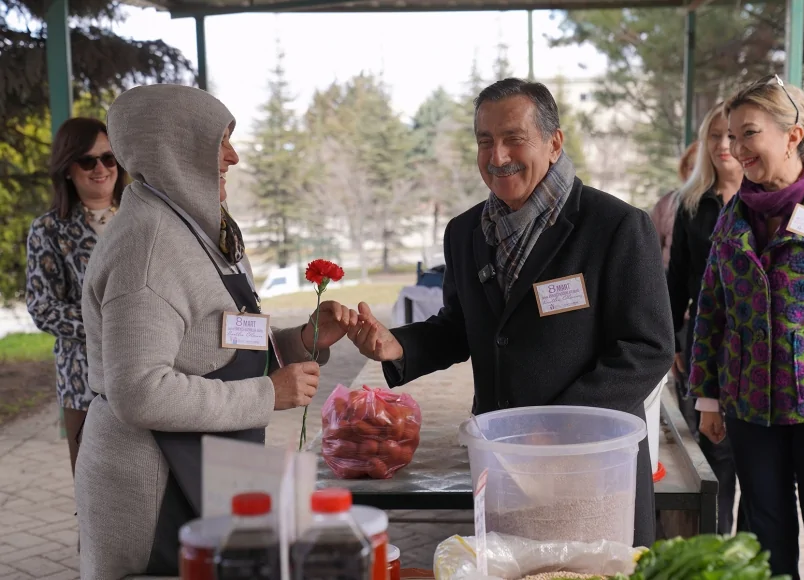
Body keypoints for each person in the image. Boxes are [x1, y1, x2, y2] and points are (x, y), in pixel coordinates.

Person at [346, 78, 674, 547]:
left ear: (554, 143)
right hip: (503, 466)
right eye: (485, 141)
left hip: (591, 467)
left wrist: (556, 426)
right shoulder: (465, 233)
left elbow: (648, 347)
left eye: (514, 139)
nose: (498, 157)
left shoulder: (615, 227)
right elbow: (463, 325)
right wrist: (399, 345)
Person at [75, 85, 355, 579]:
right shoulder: (147, 246)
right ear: (174, 147)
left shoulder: (197, 227)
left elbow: (216, 343)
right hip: (157, 491)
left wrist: (298, 342)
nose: (234, 156)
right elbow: (138, 392)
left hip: (207, 468)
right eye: (220, 141)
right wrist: (267, 394)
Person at [689, 74, 804, 579]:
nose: (734, 147)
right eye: (729, 135)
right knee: (763, 534)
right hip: (749, 406)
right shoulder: (733, 215)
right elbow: (712, 308)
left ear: (793, 134)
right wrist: (707, 397)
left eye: (749, 133)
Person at [25, 117, 126, 477]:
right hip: (83, 382)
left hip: (150, 373)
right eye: (87, 160)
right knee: (95, 490)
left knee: (151, 490)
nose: (100, 168)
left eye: (109, 158)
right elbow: (43, 307)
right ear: (67, 168)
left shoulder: (142, 218)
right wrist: (113, 325)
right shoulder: (48, 230)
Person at [667, 103, 746, 535]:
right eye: (713, 136)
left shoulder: (769, 201)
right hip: (706, 345)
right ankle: (717, 555)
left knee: (760, 468)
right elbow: (675, 281)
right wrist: (674, 344)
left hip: (758, 349)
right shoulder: (692, 204)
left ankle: (757, 558)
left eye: (731, 135)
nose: (722, 145)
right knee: (715, 455)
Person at [650, 140, 698, 269]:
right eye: (692, 168)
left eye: (702, 168)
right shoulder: (668, 203)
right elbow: (650, 249)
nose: (697, 175)